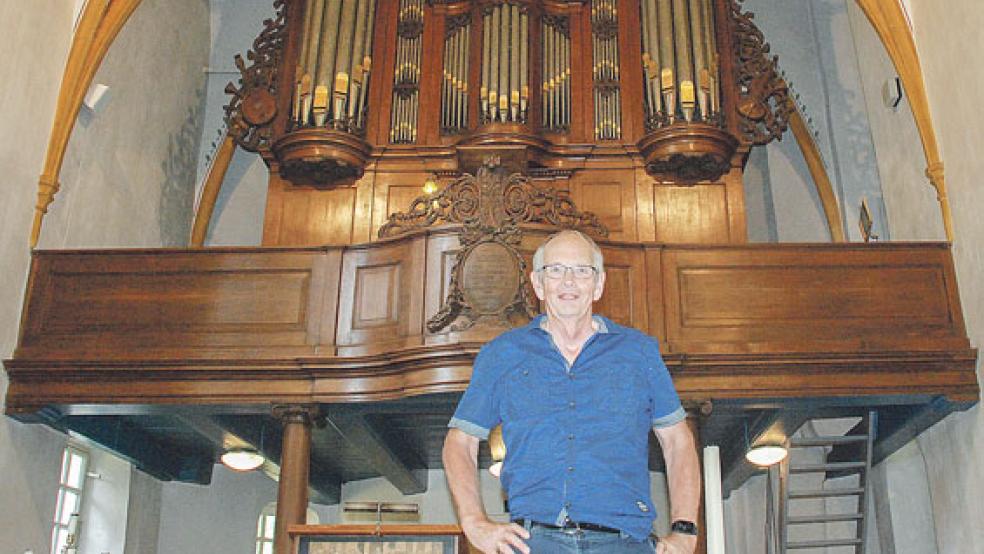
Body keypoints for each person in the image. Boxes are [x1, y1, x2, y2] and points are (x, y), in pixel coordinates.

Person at [443, 230, 701, 554]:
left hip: (625, 541)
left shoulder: (639, 353)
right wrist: (473, 521)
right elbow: (459, 442)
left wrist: (685, 529)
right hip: (533, 543)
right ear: (538, 284)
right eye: (556, 270)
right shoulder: (502, 355)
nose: (568, 281)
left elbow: (678, 442)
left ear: (599, 285)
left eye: (581, 270)